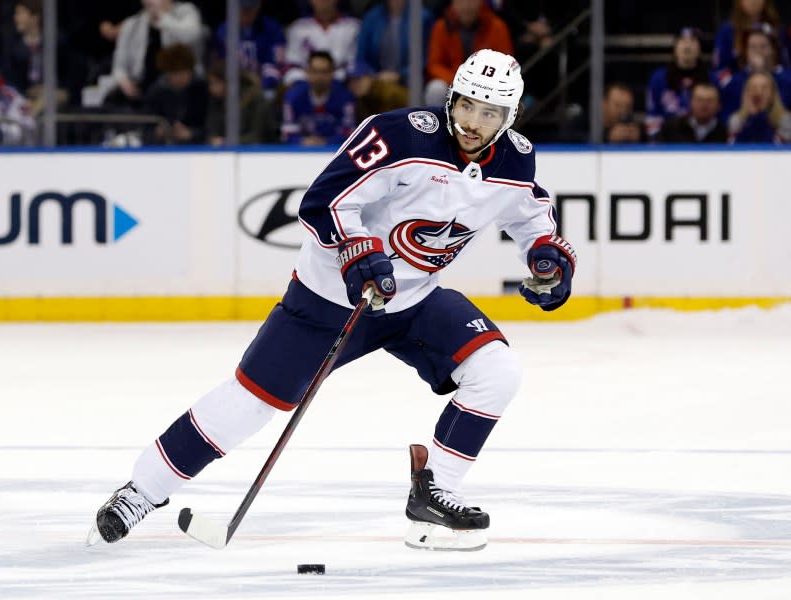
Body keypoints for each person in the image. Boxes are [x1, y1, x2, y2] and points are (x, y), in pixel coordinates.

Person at [88, 49, 577, 552]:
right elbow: (323, 201)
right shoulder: (399, 134)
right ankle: (142, 490)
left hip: (414, 302)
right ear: (450, 98)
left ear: (510, 117)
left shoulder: (516, 157)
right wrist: (356, 251)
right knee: (252, 402)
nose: (473, 122)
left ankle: (437, 493)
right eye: (466, 105)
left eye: (489, 113)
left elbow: (529, 209)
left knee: (497, 370)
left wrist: (545, 255)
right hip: (330, 300)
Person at [107, 0, 204, 108]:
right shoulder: (132, 23)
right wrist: (124, 82)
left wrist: (163, 18)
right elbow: (119, 66)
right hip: (143, 87)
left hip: (180, 88)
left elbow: (192, 36)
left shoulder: (186, 11)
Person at [424, 0, 514, 105]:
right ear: (453, 3)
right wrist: (457, 80)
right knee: (436, 89)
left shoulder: (497, 27)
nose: (467, 6)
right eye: (461, 1)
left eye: (471, 1)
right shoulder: (441, 27)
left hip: (486, 84)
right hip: (453, 82)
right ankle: (438, 121)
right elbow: (434, 64)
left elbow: (506, 65)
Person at [715, 24, 791, 124]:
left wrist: (761, 73)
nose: (758, 51)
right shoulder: (732, 81)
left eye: (763, 46)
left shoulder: (787, 78)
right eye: (752, 47)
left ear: (773, 50)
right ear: (746, 51)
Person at [211, 0, 286, 102]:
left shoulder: (272, 29)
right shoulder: (224, 31)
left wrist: (263, 84)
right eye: (242, 9)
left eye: (249, 9)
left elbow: (276, 65)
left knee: (270, 96)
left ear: (258, 5)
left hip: (265, 86)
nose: (246, 13)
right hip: (234, 86)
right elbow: (220, 66)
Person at [644, 27, 711, 139]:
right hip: (667, 141)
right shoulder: (658, 78)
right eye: (682, 40)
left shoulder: (711, 79)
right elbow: (652, 116)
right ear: (675, 47)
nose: (687, 45)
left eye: (693, 41)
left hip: (703, 141)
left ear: (700, 49)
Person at [281, 49, 356, 146]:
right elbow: (288, 133)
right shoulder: (293, 97)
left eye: (324, 72)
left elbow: (349, 132)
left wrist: (326, 142)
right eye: (315, 71)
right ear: (307, 72)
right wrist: (303, 141)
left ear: (332, 73)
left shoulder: (345, 97)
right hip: (302, 152)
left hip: (334, 151)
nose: (319, 76)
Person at [356, 0, 433, 89]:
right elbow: (361, 57)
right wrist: (373, 75)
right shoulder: (371, 18)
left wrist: (399, 76)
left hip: (409, 82)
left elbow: (425, 59)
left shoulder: (423, 18)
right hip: (376, 81)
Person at [283, 0, 360, 85]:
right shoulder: (298, 28)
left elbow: (355, 62)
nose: (323, 1)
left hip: (342, 79)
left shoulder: (354, 26)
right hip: (306, 79)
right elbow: (293, 63)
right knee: (291, 76)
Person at [144, 43, 207, 144]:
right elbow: (146, 129)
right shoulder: (156, 92)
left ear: (190, 71)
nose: (179, 78)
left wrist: (192, 133)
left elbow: (210, 126)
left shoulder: (202, 90)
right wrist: (157, 132)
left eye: (182, 73)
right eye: (174, 73)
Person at [204, 60, 277, 146]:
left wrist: (226, 142)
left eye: (215, 83)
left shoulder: (255, 99)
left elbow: (257, 135)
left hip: (262, 153)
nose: (211, 88)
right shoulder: (216, 102)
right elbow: (211, 132)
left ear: (228, 82)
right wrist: (213, 140)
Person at [713, 0, 788, 72]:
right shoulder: (727, 30)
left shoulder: (776, 28)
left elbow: (785, 62)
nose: (753, 1)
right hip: (738, 80)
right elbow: (720, 68)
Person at [728, 71, 791, 143]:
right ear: (746, 93)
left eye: (764, 88)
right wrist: (752, 117)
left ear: (773, 93)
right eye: (753, 88)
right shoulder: (736, 120)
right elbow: (734, 148)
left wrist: (761, 115)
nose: (759, 92)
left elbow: (779, 148)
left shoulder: (786, 119)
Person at [656, 81, 727, 144]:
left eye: (710, 100)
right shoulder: (671, 128)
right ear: (690, 102)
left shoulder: (725, 133)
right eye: (699, 99)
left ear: (719, 105)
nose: (704, 104)